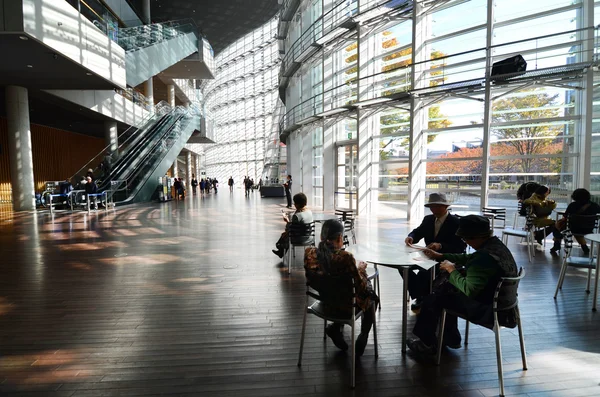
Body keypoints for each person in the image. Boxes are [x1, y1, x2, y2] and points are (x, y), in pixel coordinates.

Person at [406, 215, 518, 354]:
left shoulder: (484, 258)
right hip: (506, 307)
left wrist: (451, 270)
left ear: (475, 237)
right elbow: (470, 258)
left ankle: (427, 344)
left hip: (488, 311)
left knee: (433, 299)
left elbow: (469, 290)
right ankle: (450, 338)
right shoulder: (495, 247)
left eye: (466, 239)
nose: (466, 242)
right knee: (446, 295)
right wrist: (441, 256)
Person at [304, 219, 379, 356]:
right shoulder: (346, 258)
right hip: (346, 308)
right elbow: (360, 287)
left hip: (325, 302)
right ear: (340, 238)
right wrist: (361, 270)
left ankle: (334, 327)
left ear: (321, 237)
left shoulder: (310, 253)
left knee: (341, 291)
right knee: (372, 296)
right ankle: (363, 335)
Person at [404, 193, 466, 311]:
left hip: (445, 258)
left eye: (437, 206)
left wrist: (441, 246)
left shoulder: (456, 222)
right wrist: (411, 237)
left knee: (424, 273)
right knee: (404, 268)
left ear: (445, 207)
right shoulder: (428, 219)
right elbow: (418, 232)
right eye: (431, 206)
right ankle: (421, 295)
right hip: (427, 256)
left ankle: (423, 297)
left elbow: (460, 247)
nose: (433, 209)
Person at [556, 188, 600, 256]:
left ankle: (557, 243)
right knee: (577, 226)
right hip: (588, 229)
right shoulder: (594, 205)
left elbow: (565, 216)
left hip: (574, 228)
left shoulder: (572, 205)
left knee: (557, 226)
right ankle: (584, 246)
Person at [272, 193, 313, 258]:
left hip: (300, 239)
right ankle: (280, 251)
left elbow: (291, 229)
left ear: (298, 204)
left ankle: (280, 247)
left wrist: (287, 221)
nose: (294, 204)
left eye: (295, 203)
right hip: (310, 237)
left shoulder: (297, 216)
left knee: (286, 234)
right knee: (286, 234)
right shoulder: (309, 212)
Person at [523, 185, 561, 255]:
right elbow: (526, 201)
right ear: (542, 191)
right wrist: (539, 204)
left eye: (548, 192)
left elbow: (552, 207)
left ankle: (542, 236)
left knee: (556, 225)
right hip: (537, 219)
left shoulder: (544, 198)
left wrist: (553, 203)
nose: (548, 193)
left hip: (544, 218)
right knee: (555, 224)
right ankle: (555, 242)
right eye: (547, 192)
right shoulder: (535, 196)